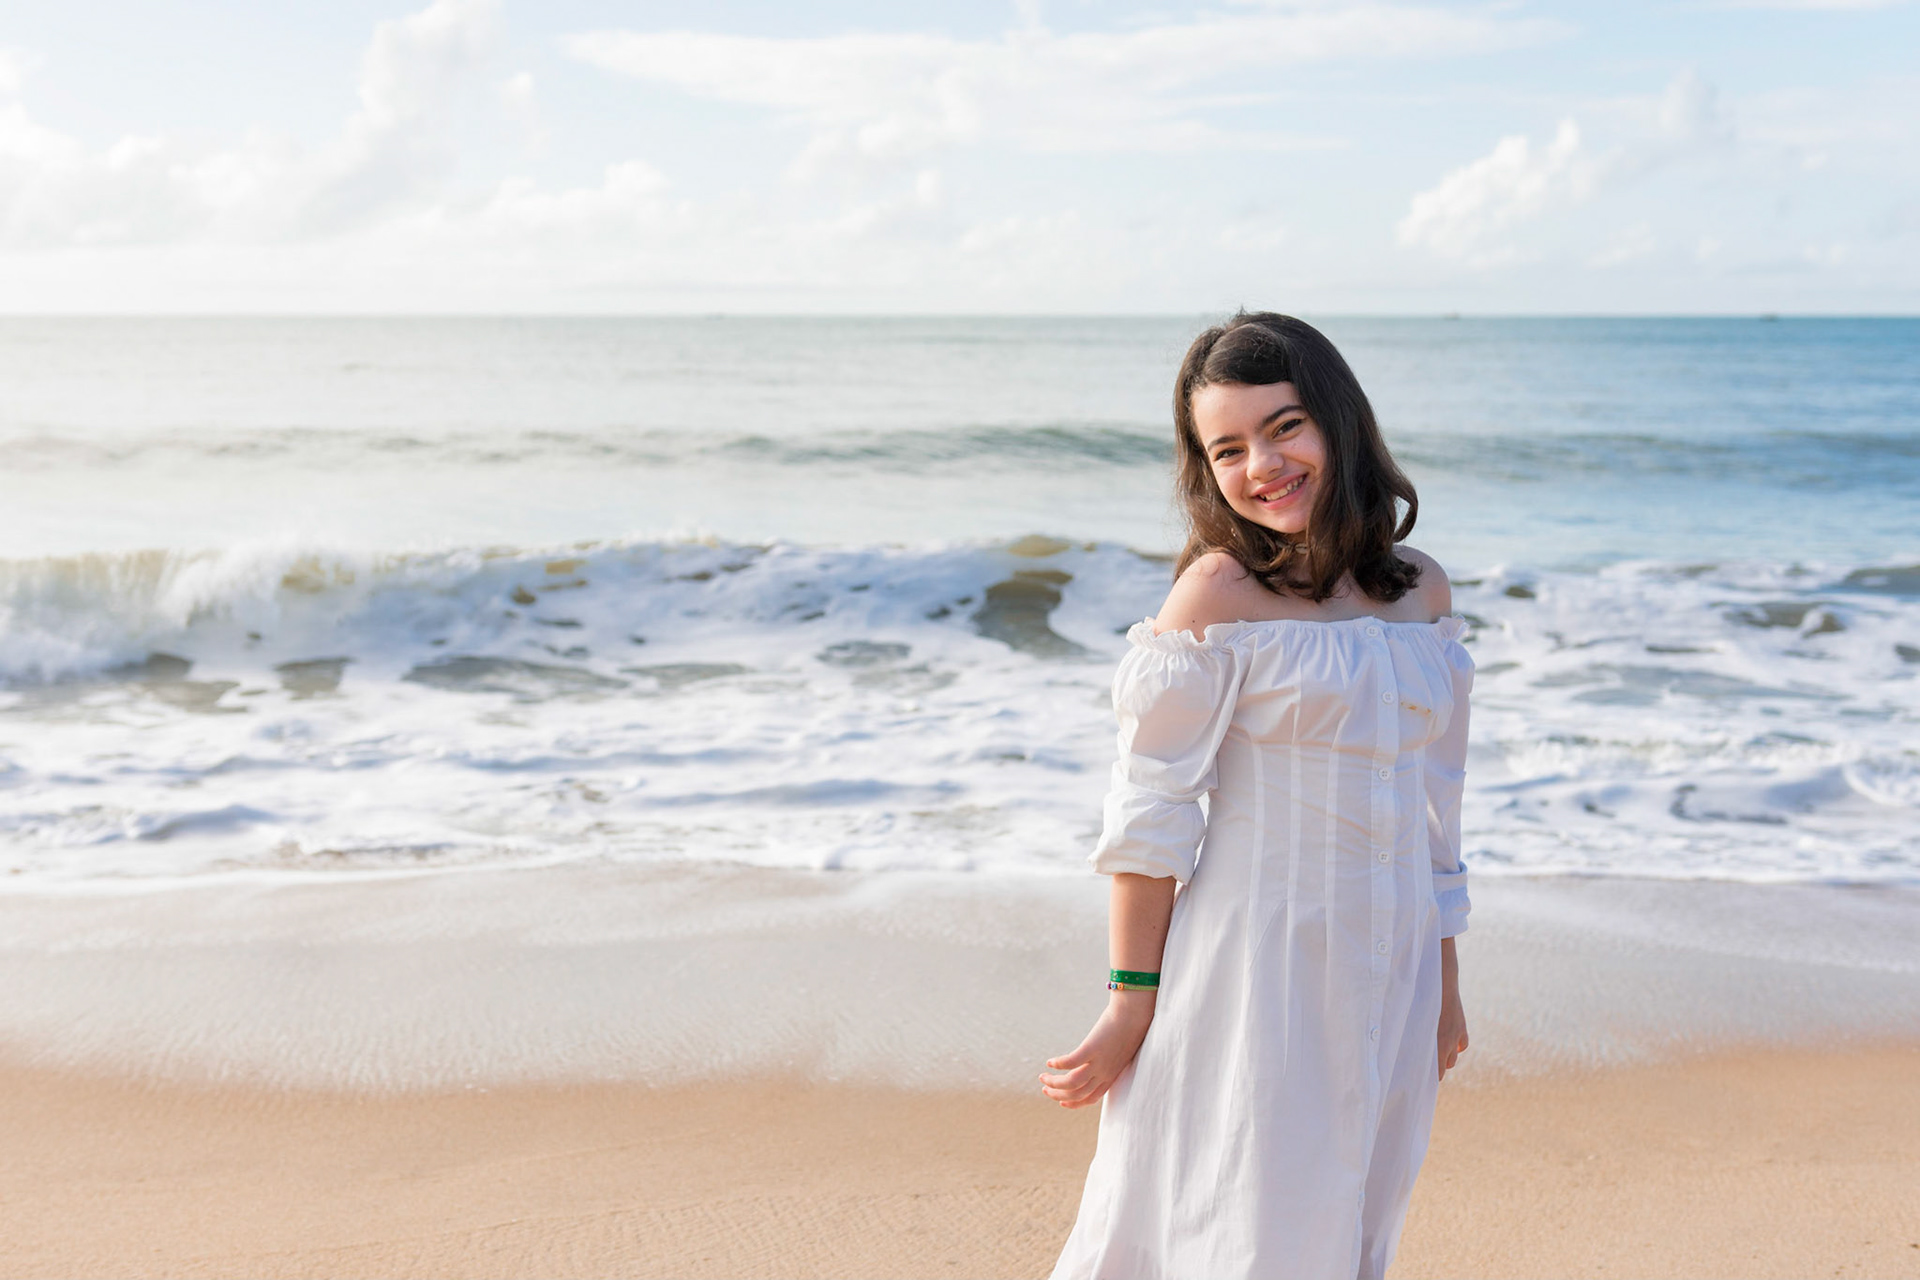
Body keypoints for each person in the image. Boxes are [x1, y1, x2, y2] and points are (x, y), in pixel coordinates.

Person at [1039, 311, 1474, 1280]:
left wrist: (1442, 983)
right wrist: (1128, 1001)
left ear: (1339, 421)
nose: (1261, 465)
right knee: (1237, 1225)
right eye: (1226, 447)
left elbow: (1437, 807)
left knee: (1354, 1220)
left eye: (1284, 427)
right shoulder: (1218, 593)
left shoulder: (1423, 592)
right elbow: (1151, 816)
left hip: (1394, 963)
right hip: (1255, 966)